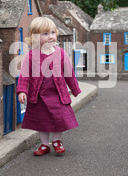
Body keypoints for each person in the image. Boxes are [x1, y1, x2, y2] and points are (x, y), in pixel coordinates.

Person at [17, 17, 81, 156]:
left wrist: (75, 89)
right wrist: (22, 90)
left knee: (60, 119)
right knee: (42, 121)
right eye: (45, 34)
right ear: (35, 37)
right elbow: (24, 75)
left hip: (58, 94)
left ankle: (57, 141)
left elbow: (69, 73)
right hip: (39, 96)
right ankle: (44, 144)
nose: (50, 36)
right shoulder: (31, 56)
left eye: (52, 32)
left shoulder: (61, 53)